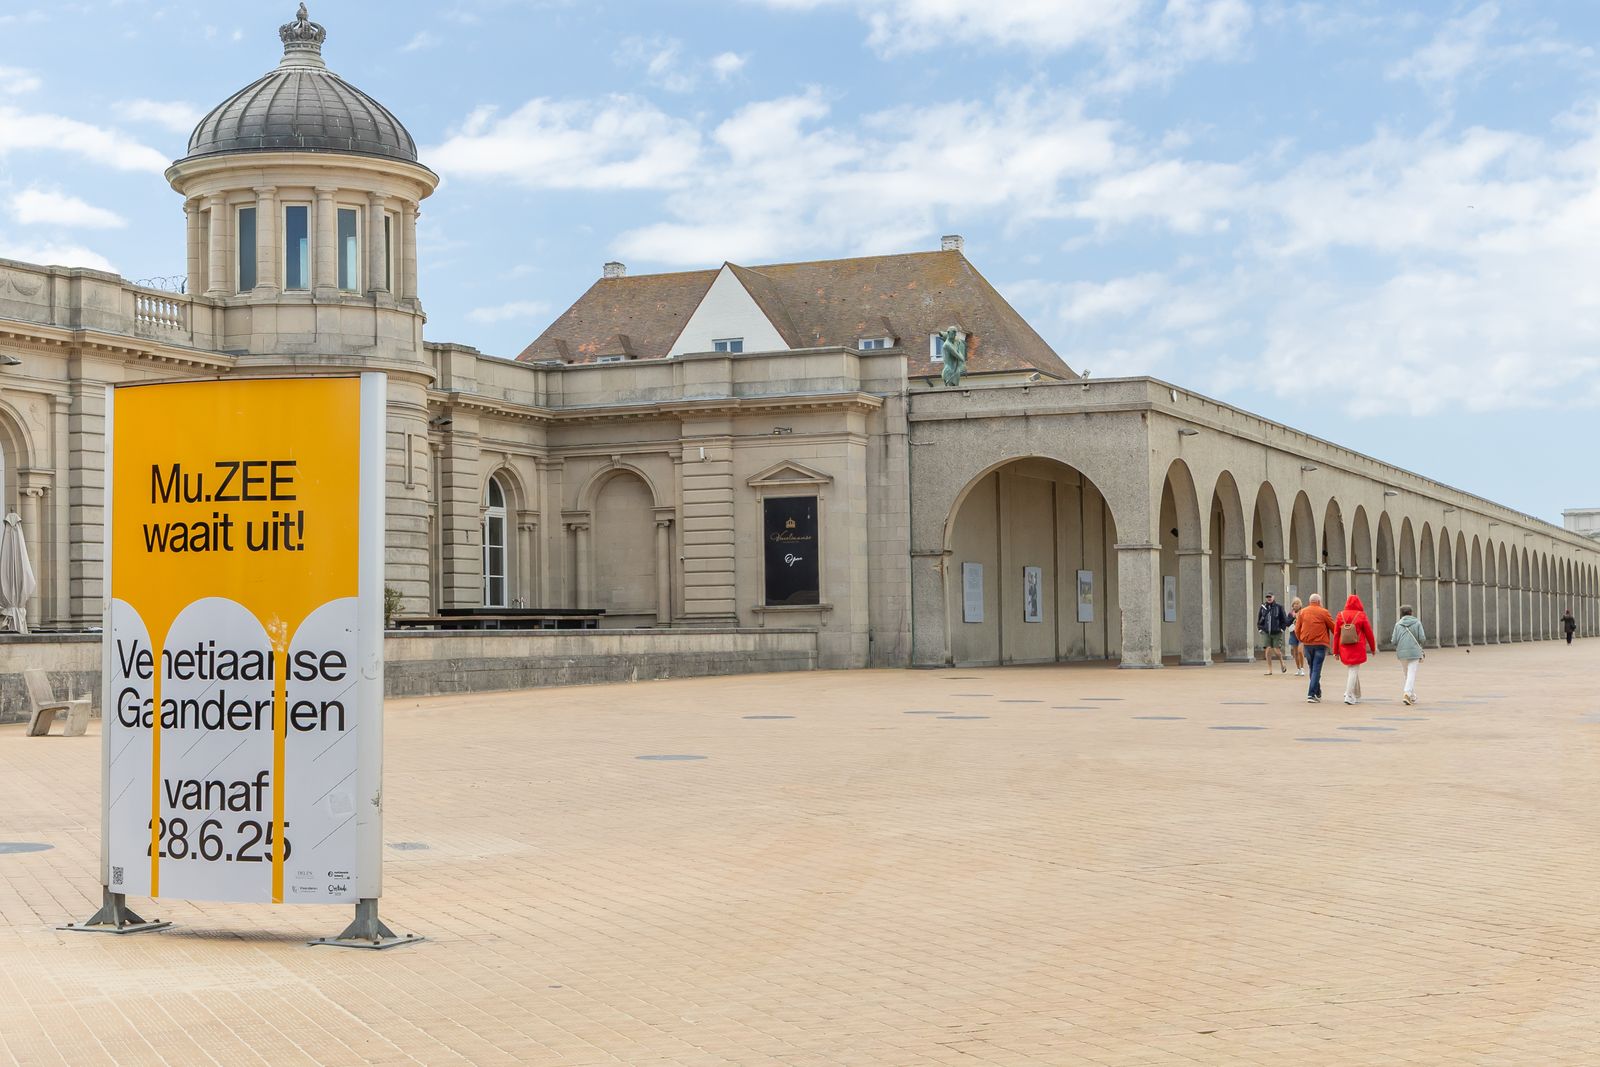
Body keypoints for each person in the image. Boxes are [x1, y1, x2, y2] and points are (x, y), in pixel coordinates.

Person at [1332, 594, 1378, 706]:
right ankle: (1348, 694)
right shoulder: (1361, 615)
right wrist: (1373, 647)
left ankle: (1356, 694)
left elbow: (1336, 634)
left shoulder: (1340, 615)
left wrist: (1335, 651)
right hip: (1358, 646)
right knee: (1353, 670)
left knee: (1352, 669)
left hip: (1344, 646)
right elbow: (1369, 632)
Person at [1294, 593, 1336, 703]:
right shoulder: (1324, 612)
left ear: (1310, 602)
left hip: (1307, 644)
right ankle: (1311, 694)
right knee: (1316, 669)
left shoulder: (1303, 612)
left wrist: (1301, 639)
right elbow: (1333, 627)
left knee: (1312, 668)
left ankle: (1317, 691)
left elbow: (1297, 629)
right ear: (1319, 602)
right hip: (1320, 644)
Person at [1391, 604, 1426, 705]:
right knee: (1411, 673)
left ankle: (1412, 695)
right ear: (1411, 613)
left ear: (1401, 614)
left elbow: (1394, 640)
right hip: (1414, 652)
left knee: (1407, 674)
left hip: (1402, 652)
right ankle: (1407, 693)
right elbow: (1422, 638)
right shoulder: (1417, 622)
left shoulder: (1398, 625)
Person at [1256, 592, 1289, 675]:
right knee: (1267, 650)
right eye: (1267, 597)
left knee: (1276, 650)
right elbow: (1259, 619)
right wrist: (1260, 629)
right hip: (1266, 632)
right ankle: (1269, 669)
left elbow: (1284, 620)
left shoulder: (1279, 607)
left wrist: (1282, 629)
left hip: (1276, 632)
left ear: (1273, 597)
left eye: (1270, 597)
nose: (1269, 598)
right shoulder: (1263, 607)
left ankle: (1282, 663)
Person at [1287, 596, 1305, 675]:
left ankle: (1302, 668)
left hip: (1301, 634)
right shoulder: (1290, 614)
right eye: (1295, 604)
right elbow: (1287, 623)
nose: (1296, 605)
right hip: (1293, 633)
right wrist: (1293, 617)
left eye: (1297, 603)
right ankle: (1298, 668)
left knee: (1300, 651)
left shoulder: (1303, 612)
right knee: (1295, 652)